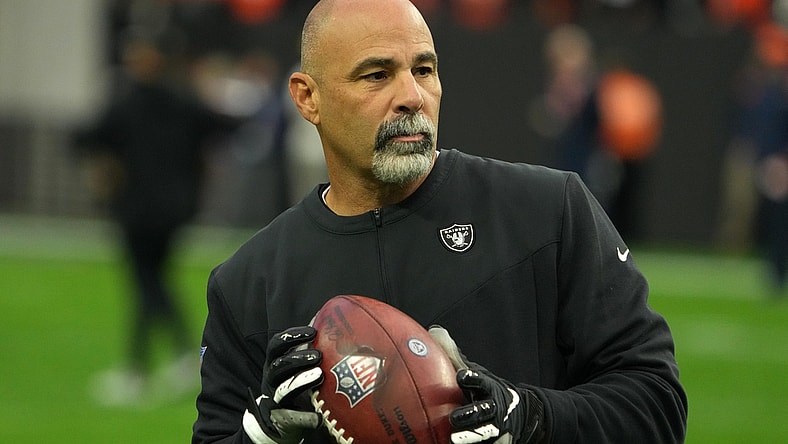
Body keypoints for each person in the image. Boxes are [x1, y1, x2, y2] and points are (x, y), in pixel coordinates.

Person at [192, 0, 687, 442]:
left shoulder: (547, 211)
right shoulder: (248, 283)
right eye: (376, 75)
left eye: (424, 70)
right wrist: (261, 435)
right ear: (307, 98)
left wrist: (529, 418)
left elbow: (657, 406)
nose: (411, 96)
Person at [74, 28, 233, 406]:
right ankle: (164, 362)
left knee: (146, 283)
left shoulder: (128, 103)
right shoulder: (183, 100)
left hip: (137, 208)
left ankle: (149, 367)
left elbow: (85, 138)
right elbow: (225, 125)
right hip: (176, 208)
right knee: (154, 281)